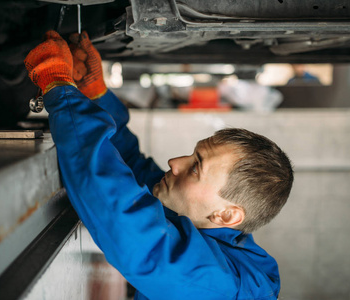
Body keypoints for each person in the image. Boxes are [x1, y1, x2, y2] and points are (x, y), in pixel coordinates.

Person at [24, 30, 294, 300]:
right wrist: (96, 95)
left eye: (196, 168)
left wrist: (61, 90)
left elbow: (129, 227)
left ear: (226, 216)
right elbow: (135, 170)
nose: (175, 162)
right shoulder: (209, 227)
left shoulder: (221, 288)